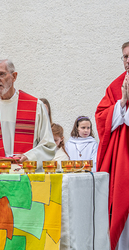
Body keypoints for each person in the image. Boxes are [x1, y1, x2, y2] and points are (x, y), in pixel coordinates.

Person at [95, 41, 129, 250]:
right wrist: (122, 103)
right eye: (125, 56)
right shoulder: (115, 87)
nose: (128, 60)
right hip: (123, 163)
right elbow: (101, 116)